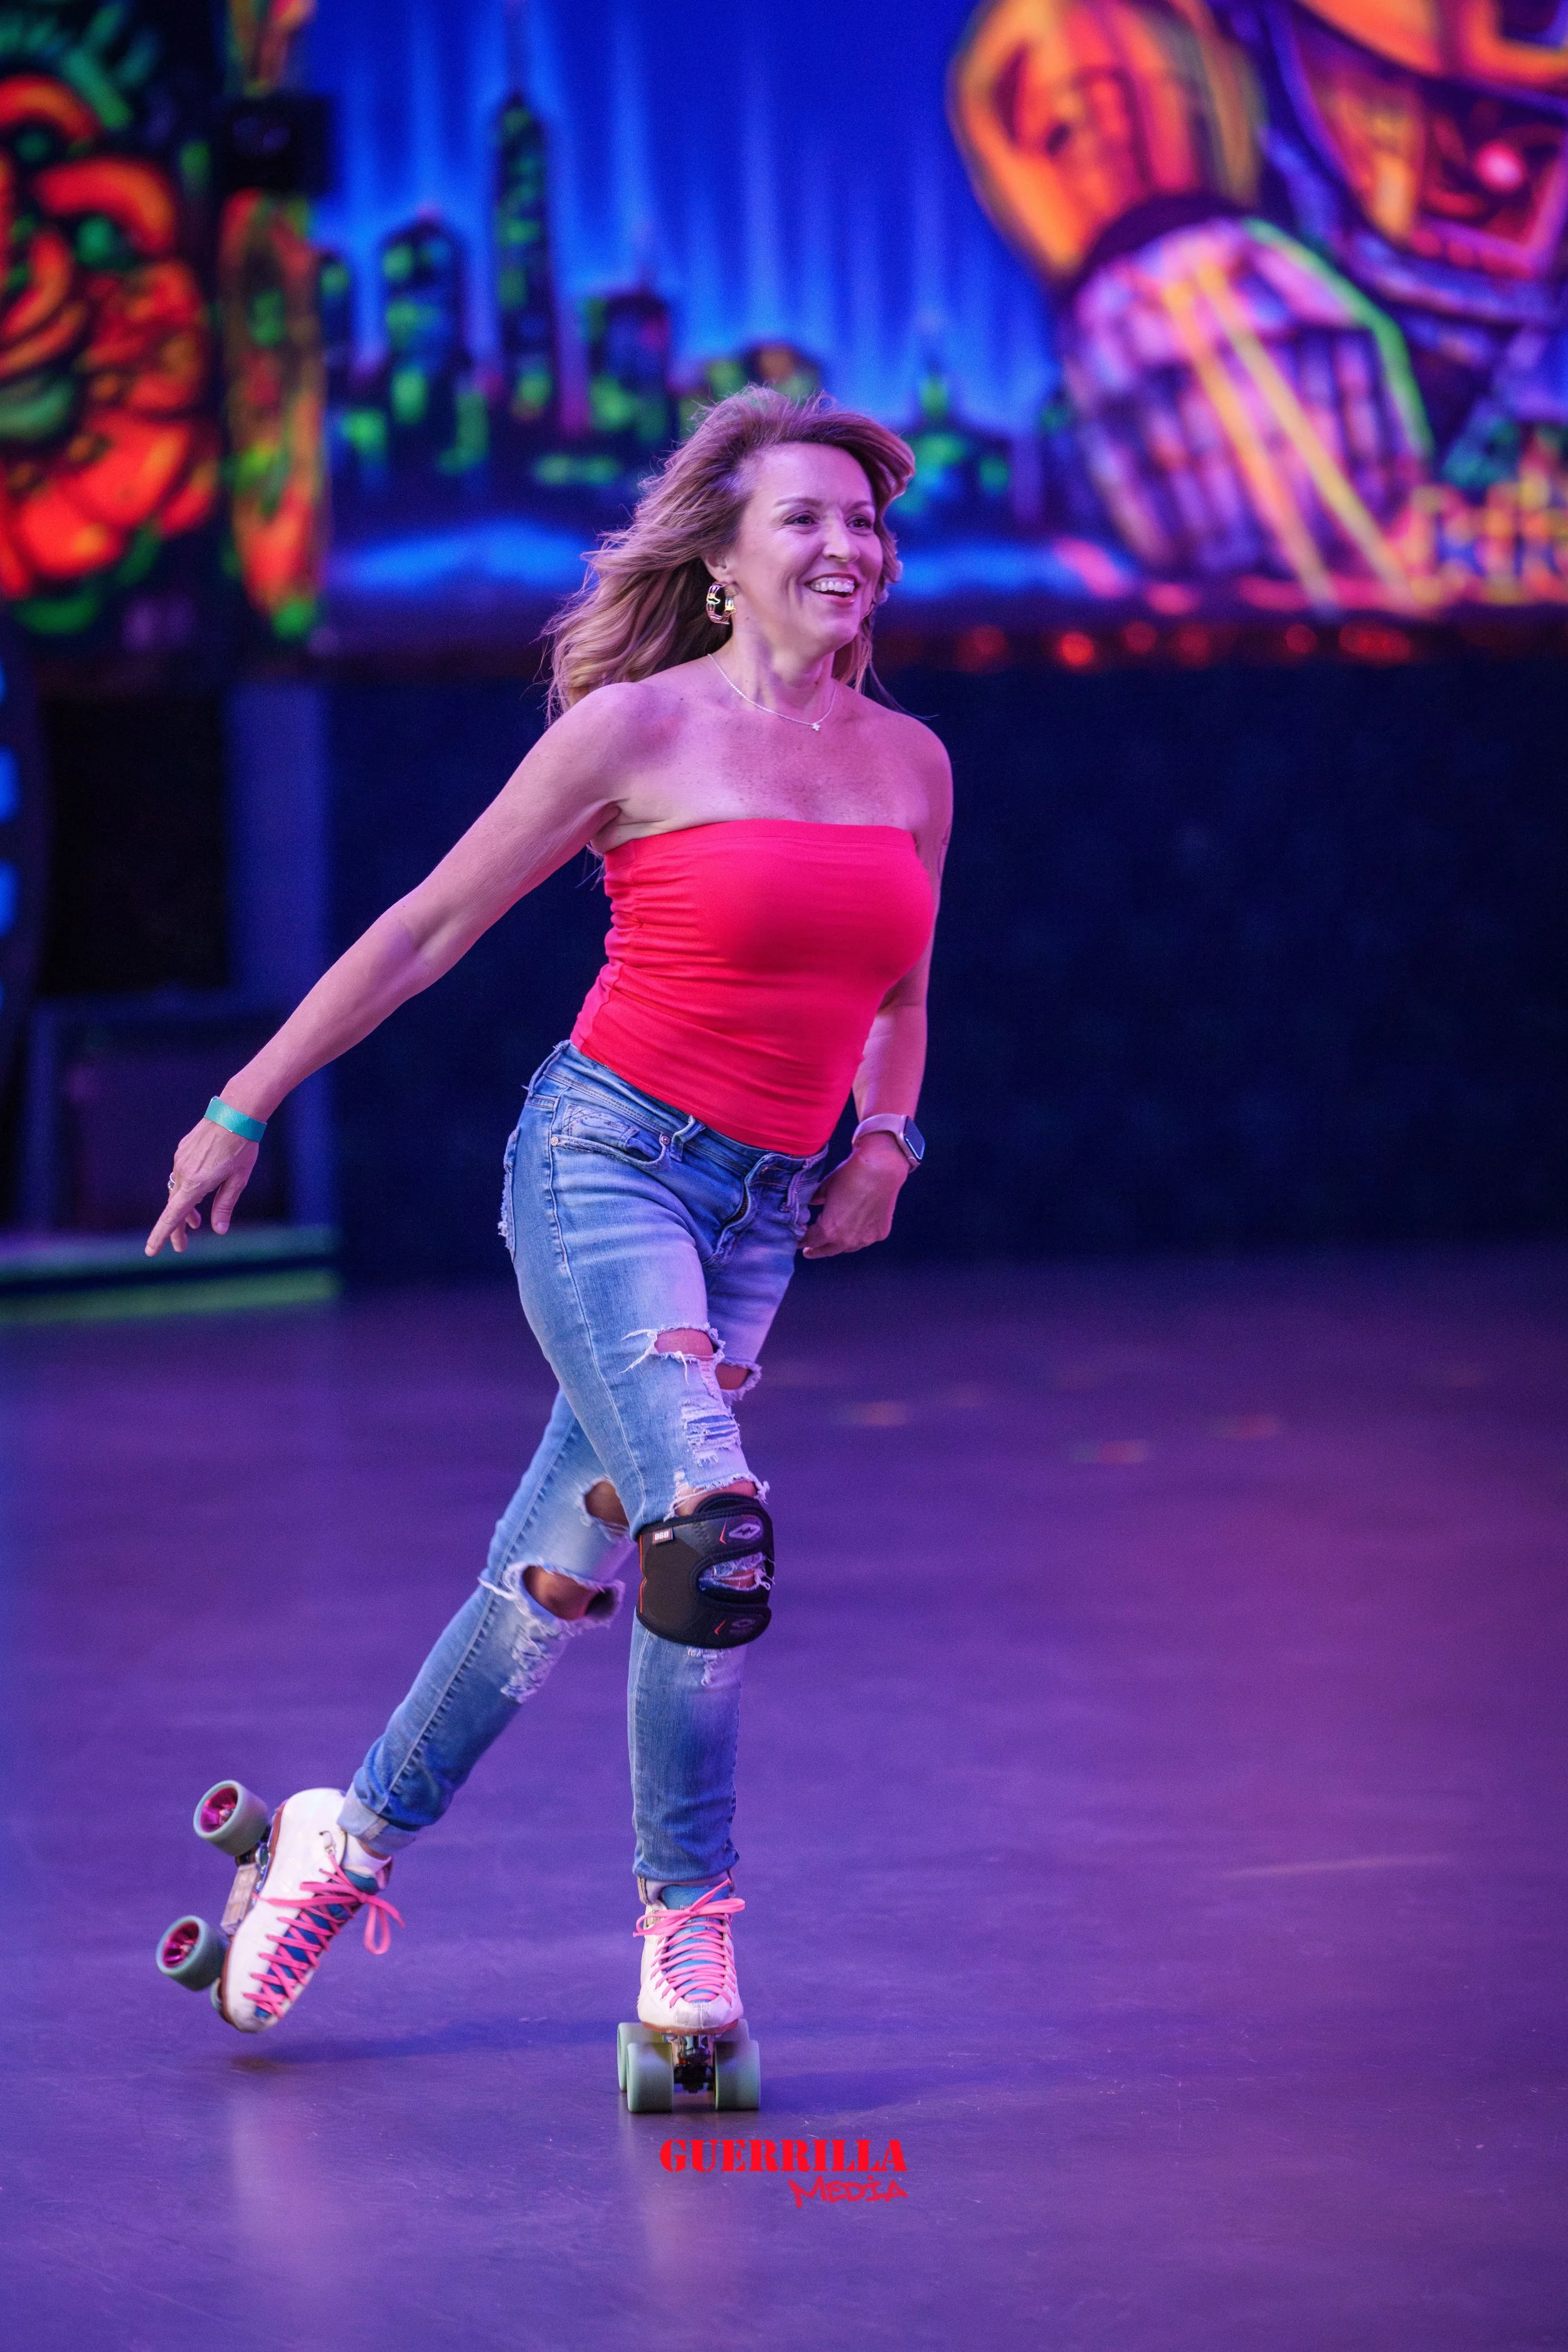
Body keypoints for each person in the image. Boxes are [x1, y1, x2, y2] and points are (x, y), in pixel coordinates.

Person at [148, 389, 950, 2048]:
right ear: (721, 559)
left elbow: (897, 990)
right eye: (804, 516)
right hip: (607, 1168)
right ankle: (687, 1938)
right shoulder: (633, 733)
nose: (845, 546)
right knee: (707, 1529)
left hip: (754, 1214)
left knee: (554, 1580)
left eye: (864, 522)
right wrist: (246, 1098)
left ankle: (336, 1837)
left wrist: (883, 1135)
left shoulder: (910, 764)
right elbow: (428, 926)